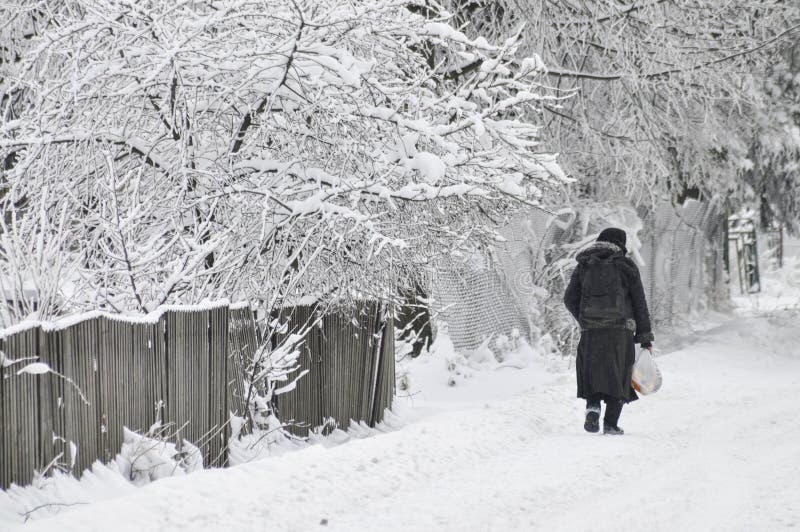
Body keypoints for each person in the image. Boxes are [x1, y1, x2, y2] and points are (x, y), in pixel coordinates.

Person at [563, 227, 654, 435]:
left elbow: (569, 298)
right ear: (621, 244)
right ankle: (611, 424)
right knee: (619, 374)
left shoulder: (584, 264)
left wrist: (585, 319)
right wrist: (645, 337)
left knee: (592, 371)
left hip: (591, 331)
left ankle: (593, 408)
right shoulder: (626, 266)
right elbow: (639, 303)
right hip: (620, 332)